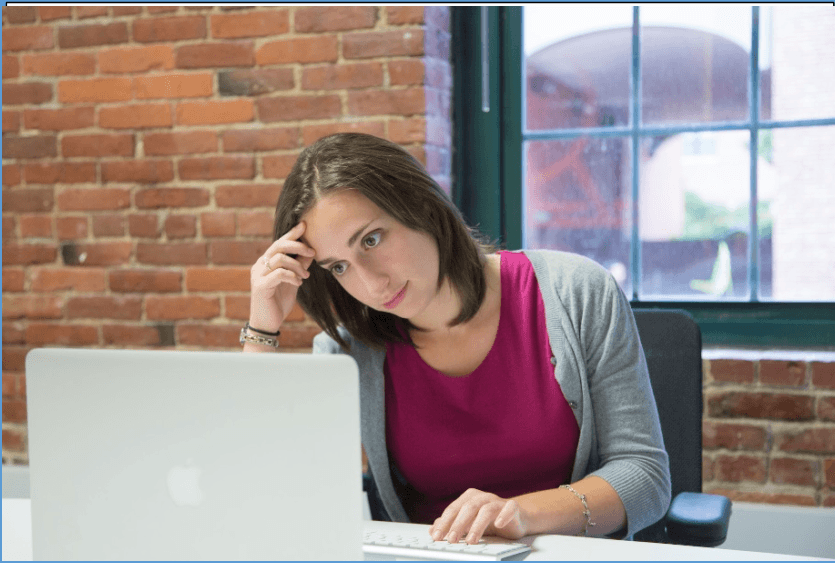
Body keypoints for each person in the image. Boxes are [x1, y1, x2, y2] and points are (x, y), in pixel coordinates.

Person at [244, 133, 671, 544]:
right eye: (339, 267)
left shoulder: (576, 292)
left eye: (371, 240)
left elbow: (645, 478)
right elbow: (272, 489)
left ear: (423, 208)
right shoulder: (347, 350)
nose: (370, 283)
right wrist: (262, 328)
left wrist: (521, 515)